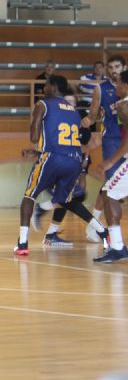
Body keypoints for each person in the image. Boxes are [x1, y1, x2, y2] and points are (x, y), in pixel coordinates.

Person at [14, 75, 107, 255]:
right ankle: (103, 231)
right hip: (74, 160)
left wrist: (37, 135)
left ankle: (23, 244)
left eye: (46, 85)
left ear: (54, 87)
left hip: (53, 157)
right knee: (66, 201)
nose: (44, 88)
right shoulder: (73, 110)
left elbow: (33, 137)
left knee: (29, 195)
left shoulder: (43, 104)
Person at [81, 55, 127, 243]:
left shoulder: (125, 87)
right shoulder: (102, 89)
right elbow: (92, 115)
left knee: (113, 187)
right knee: (110, 186)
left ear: (124, 67)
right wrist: (86, 121)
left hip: (124, 138)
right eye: (110, 67)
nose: (113, 69)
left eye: (117, 66)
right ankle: (96, 224)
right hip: (113, 140)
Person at [93, 70, 128, 262]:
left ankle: (117, 247)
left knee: (108, 193)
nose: (117, 87)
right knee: (108, 192)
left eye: (120, 84)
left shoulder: (124, 106)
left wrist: (111, 161)